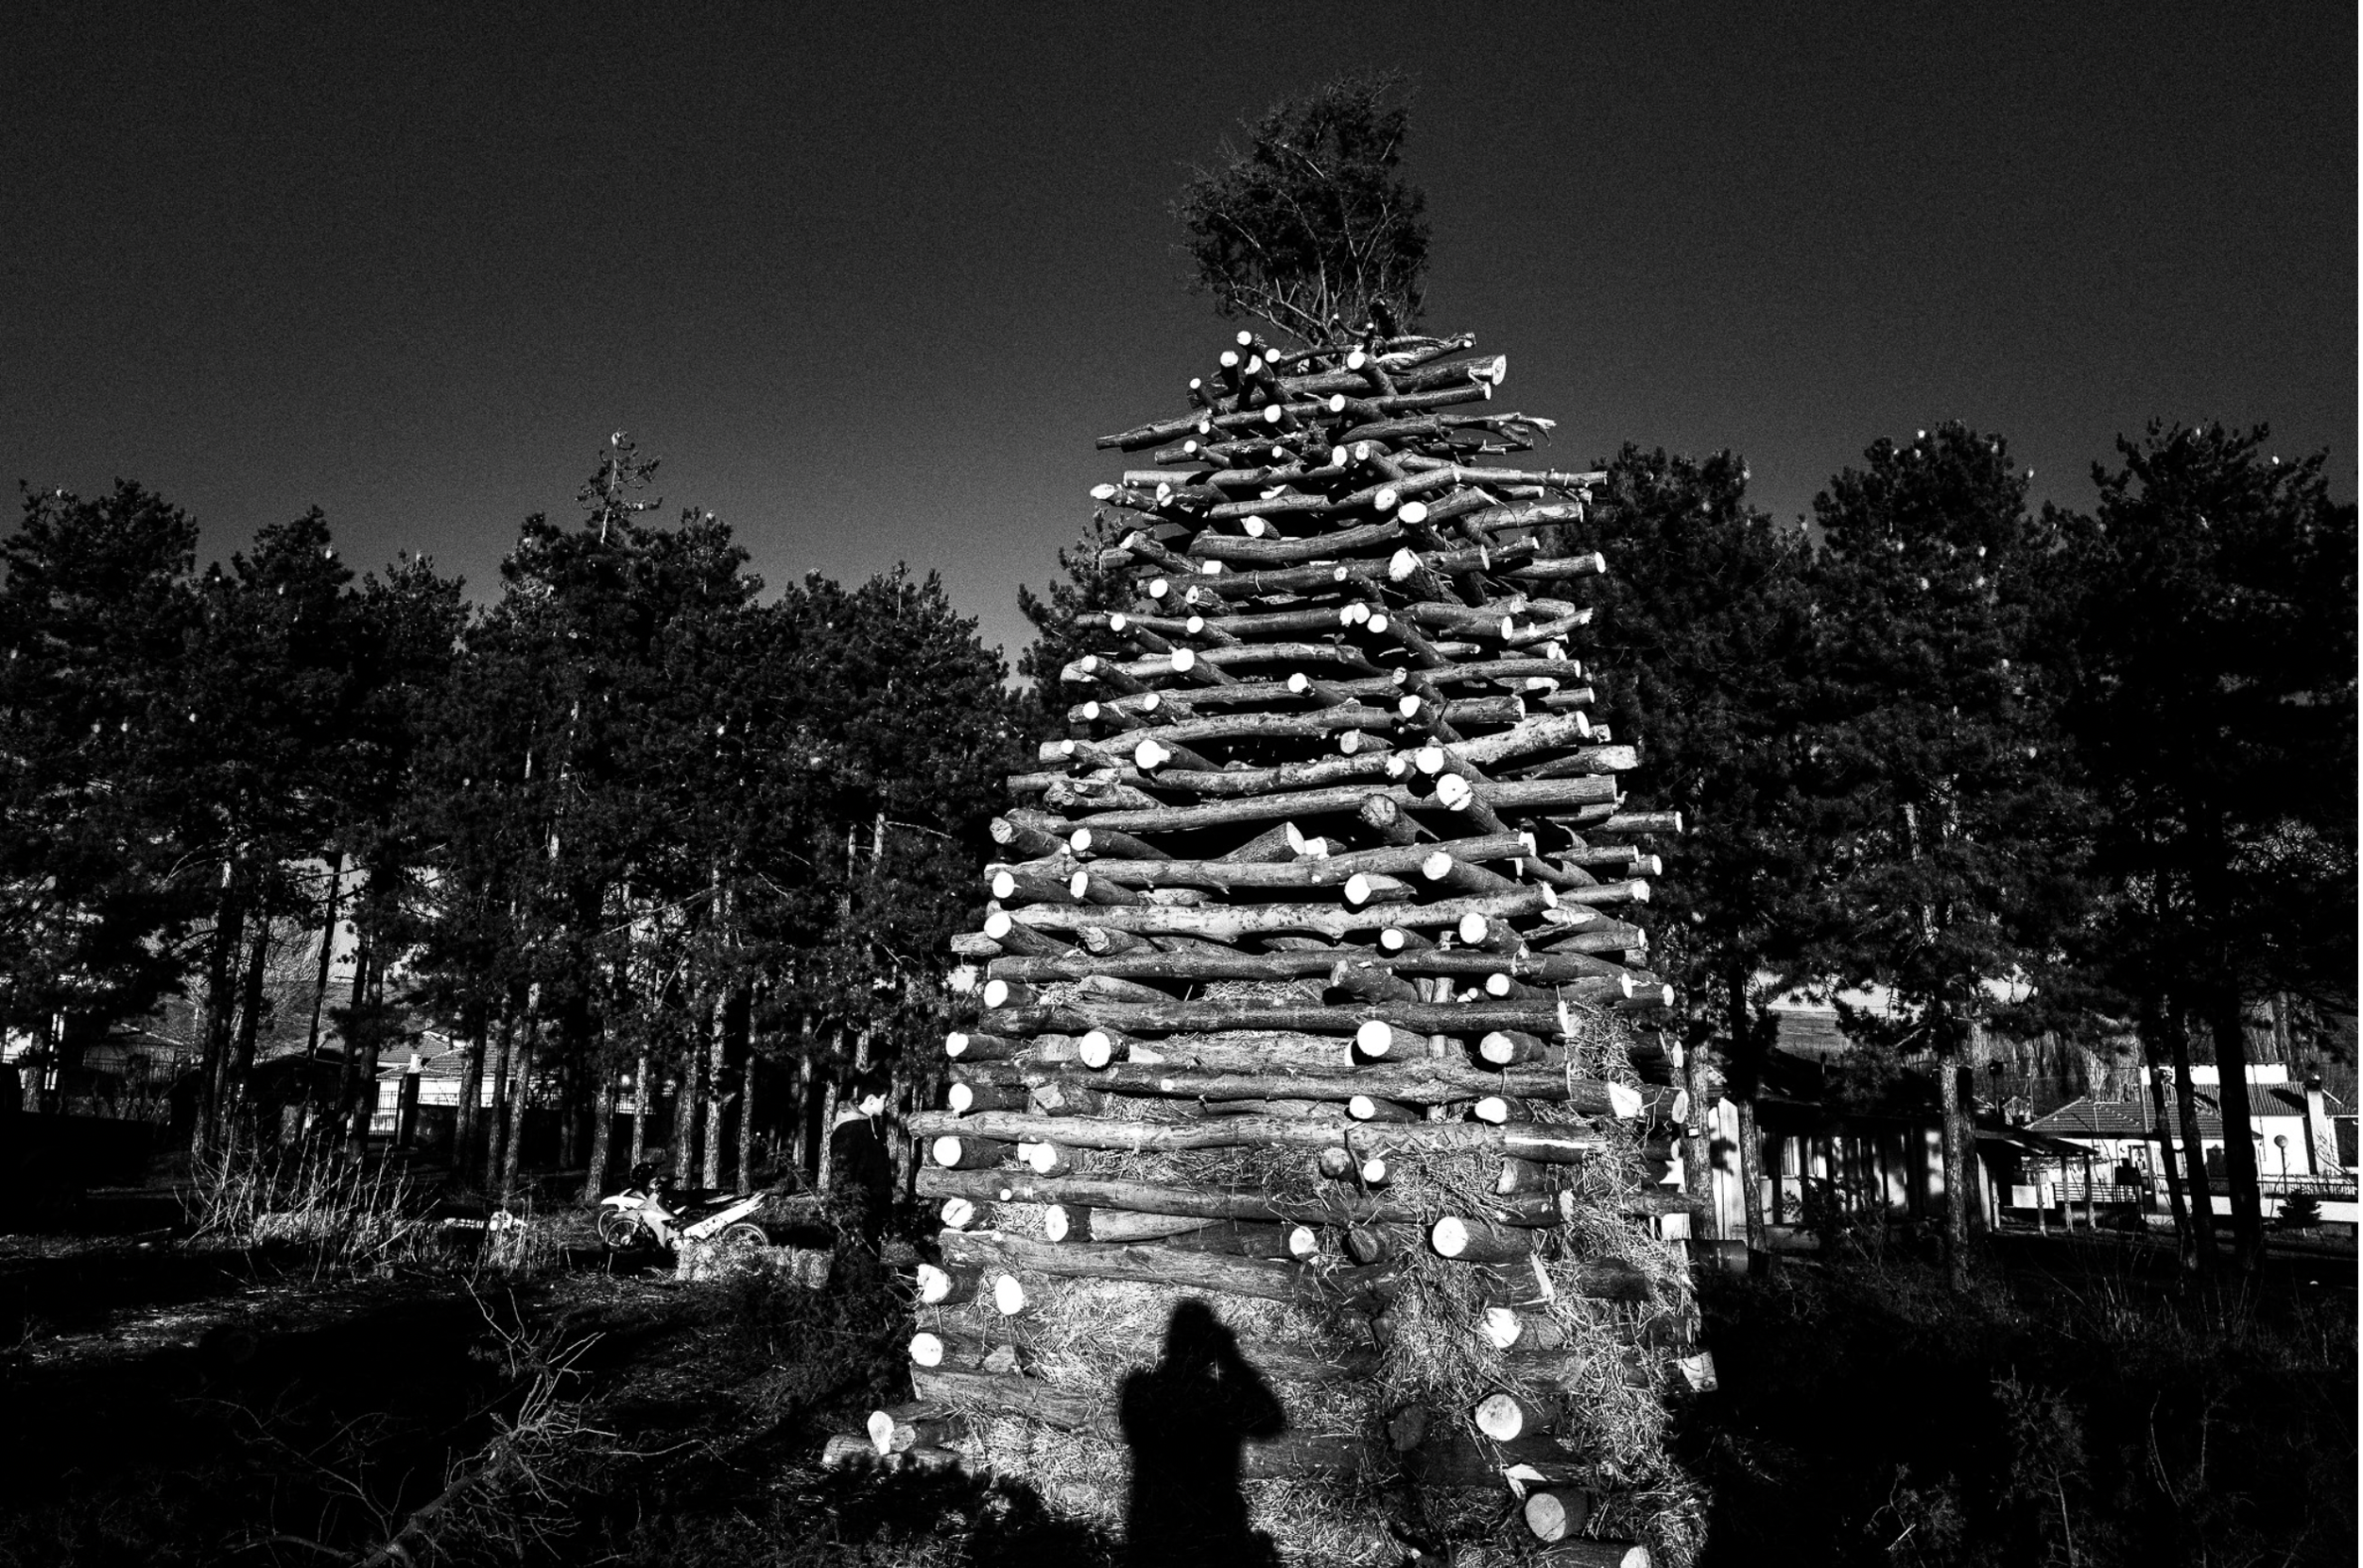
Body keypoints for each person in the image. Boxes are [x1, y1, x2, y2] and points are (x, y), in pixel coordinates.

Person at [1119, 1300, 1284, 1567]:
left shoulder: (1143, 1387)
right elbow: (1271, 1421)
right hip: (1199, 1518)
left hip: (1161, 1520)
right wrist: (1232, 1358)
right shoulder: (1209, 1393)